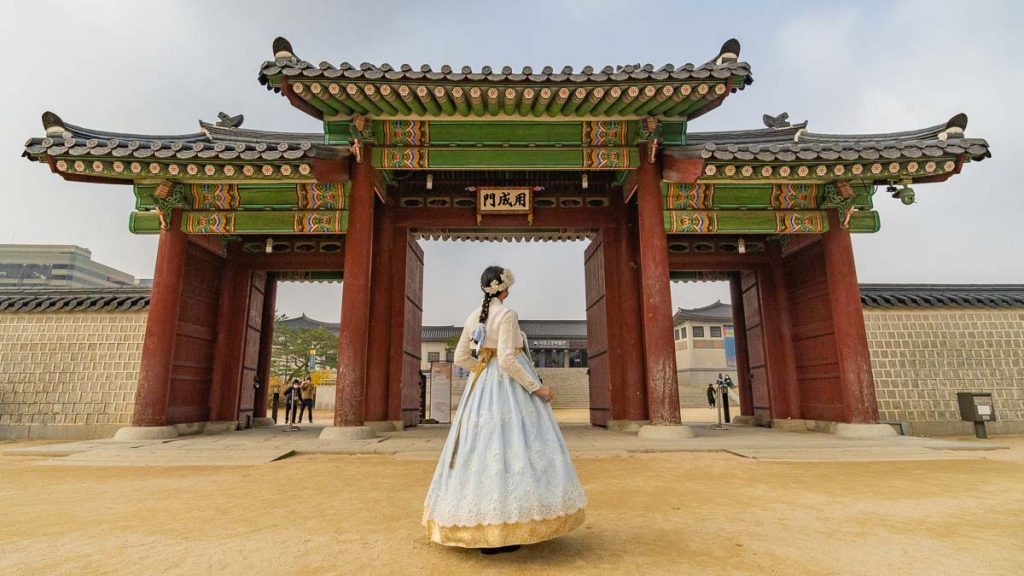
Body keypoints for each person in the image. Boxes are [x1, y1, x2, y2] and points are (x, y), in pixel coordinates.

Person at [423, 266, 586, 554]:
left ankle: (479, 527)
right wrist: (536, 387)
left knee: (481, 452)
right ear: (505, 287)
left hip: (481, 389)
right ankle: (510, 527)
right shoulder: (507, 315)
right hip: (509, 390)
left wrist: (483, 370)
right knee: (516, 448)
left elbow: (461, 357)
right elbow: (509, 361)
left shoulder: (474, 316)